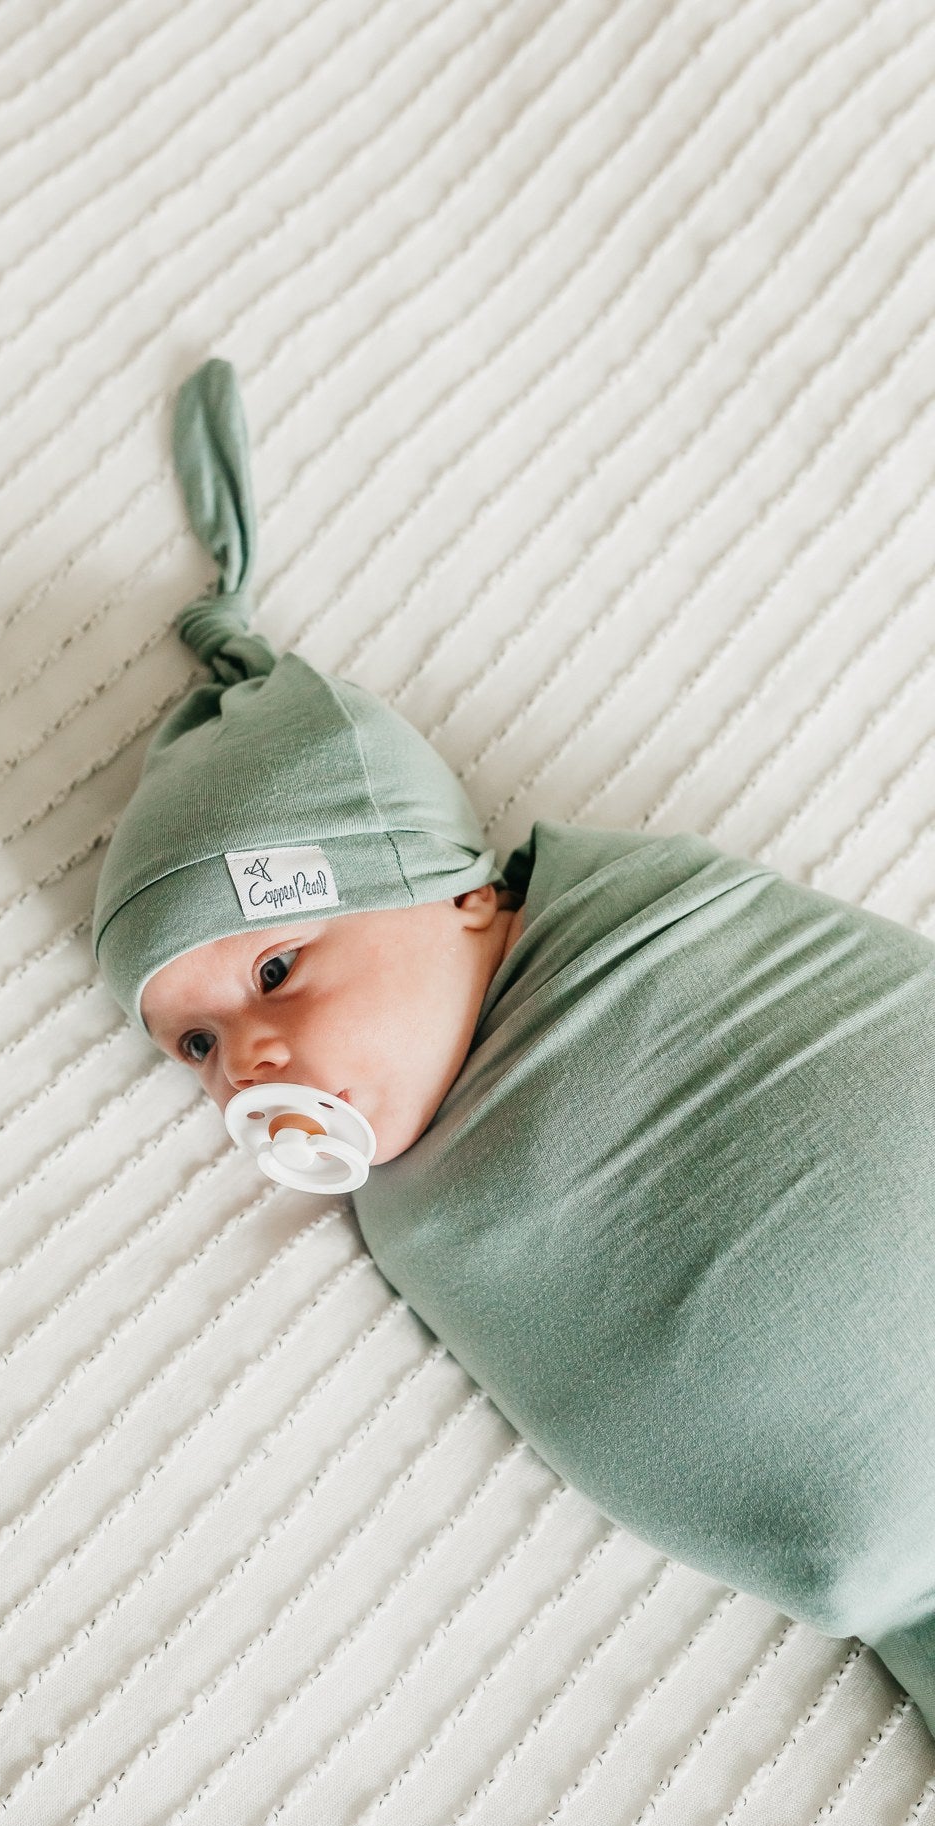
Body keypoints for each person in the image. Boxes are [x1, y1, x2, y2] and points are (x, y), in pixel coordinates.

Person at [94, 358, 935, 1741]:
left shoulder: (661, 937)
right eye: (195, 1039)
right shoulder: (418, 1211)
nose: (247, 1056)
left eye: (278, 969)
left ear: (462, 894)